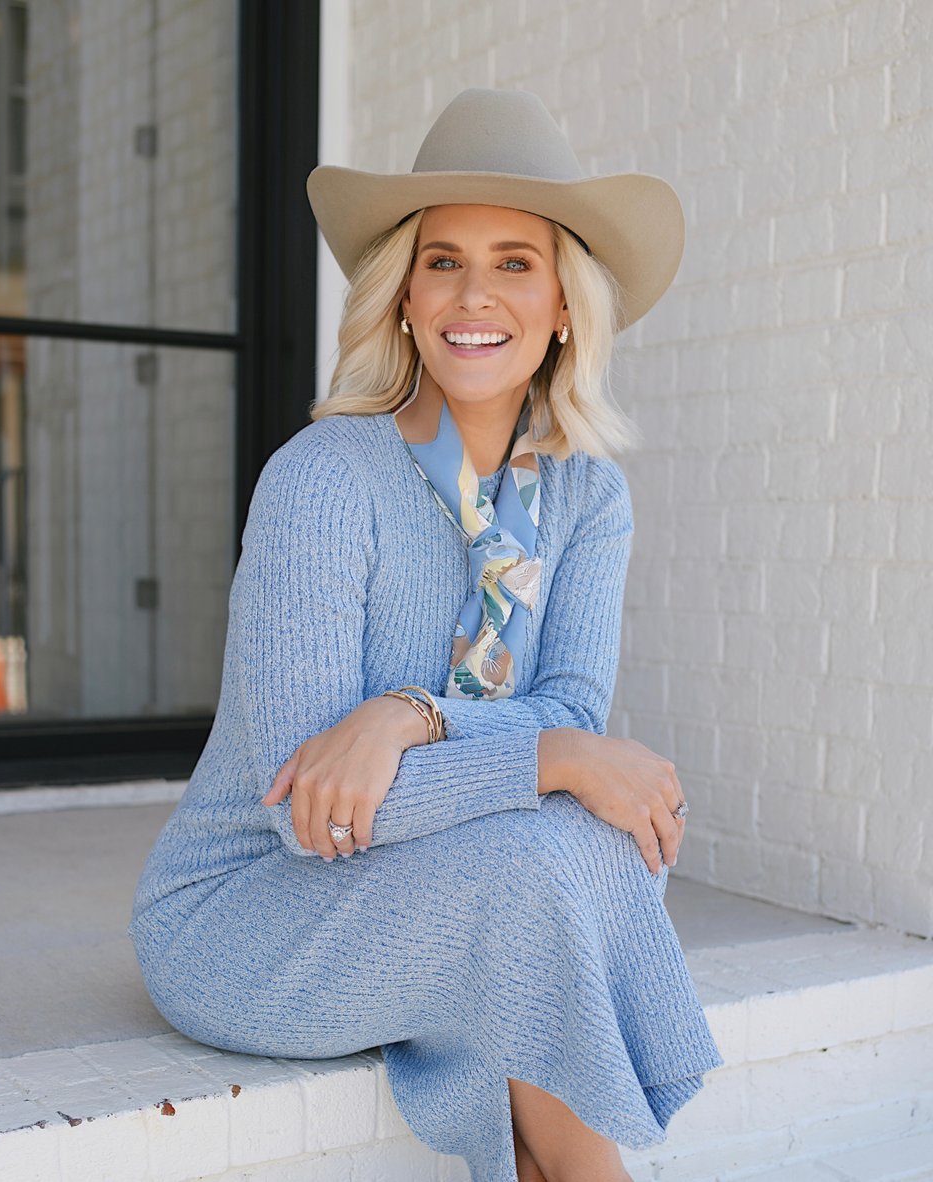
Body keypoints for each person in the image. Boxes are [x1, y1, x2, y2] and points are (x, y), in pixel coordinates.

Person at [129, 88, 722, 1182]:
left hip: (448, 877)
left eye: (513, 262)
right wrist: (551, 756)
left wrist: (409, 718)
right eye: (443, 259)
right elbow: (313, 808)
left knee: (592, 846)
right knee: (548, 864)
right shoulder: (323, 479)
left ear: (562, 306)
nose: (473, 295)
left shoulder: (590, 499)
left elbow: (571, 720)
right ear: (402, 293)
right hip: (251, 909)